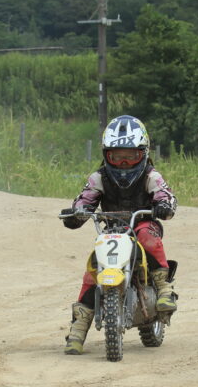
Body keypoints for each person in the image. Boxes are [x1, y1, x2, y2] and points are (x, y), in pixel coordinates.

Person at [61, 115, 178, 355]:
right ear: (107, 155)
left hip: (143, 224)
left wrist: (164, 205)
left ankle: (163, 287)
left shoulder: (151, 176)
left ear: (143, 153)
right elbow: (85, 199)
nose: (124, 163)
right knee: (94, 267)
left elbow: (165, 195)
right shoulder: (99, 178)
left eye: (130, 156)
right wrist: (77, 212)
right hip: (113, 231)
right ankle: (78, 329)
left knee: (145, 236)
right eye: (117, 156)